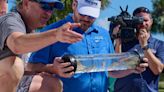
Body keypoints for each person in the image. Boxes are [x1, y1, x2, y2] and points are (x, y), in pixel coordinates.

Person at [17, 0, 148, 92]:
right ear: (74, 4)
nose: (87, 18)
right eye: (83, 13)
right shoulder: (52, 32)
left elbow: (110, 70)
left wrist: (132, 68)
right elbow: (31, 67)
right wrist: (54, 68)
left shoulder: (103, 34)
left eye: (92, 15)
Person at [0, 0, 83, 92]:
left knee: (50, 84)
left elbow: (24, 69)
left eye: (51, 8)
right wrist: (56, 35)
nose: (48, 13)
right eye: (45, 6)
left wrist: (52, 69)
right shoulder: (11, 20)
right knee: (14, 65)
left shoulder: (28, 29)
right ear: (26, 3)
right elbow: (16, 44)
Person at [112, 7, 164, 92]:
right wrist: (118, 40)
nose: (142, 23)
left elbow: (157, 70)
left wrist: (145, 46)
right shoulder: (124, 42)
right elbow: (115, 67)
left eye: (146, 20)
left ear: (151, 22)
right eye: (138, 20)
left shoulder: (159, 44)